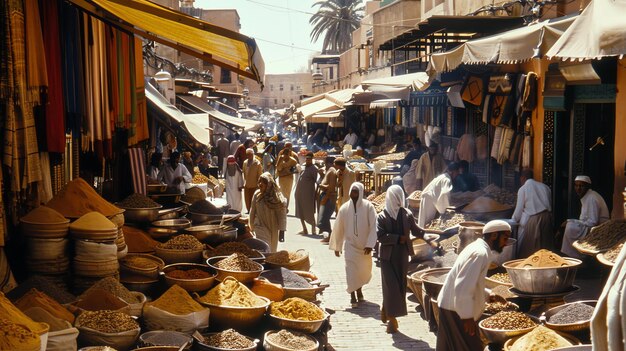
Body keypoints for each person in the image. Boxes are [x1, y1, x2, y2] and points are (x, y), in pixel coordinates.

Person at [437, 220, 511, 351]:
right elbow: (463, 286)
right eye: (504, 238)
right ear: (494, 235)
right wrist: (467, 317)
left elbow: (472, 282)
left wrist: (490, 295)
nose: (505, 243)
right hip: (456, 310)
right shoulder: (480, 253)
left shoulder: (478, 248)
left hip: (451, 306)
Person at [376, 185, 425, 333]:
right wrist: (399, 238)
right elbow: (381, 236)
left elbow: (416, 230)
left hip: (402, 256)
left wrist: (428, 236)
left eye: (400, 197)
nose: (398, 200)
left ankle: (387, 307)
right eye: (395, 197)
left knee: (400, 286)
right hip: (387, 257)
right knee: (391, 286)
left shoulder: (407, 214)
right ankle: (392, 319)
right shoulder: (382, 216)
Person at [329, 182, 377, 307]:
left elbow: (374, 226)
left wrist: (370, 244)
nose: (353, 194)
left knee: (362, 272)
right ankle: (352, 296)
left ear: (361, 192)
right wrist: (337, 246)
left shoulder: (368, 207)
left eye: (356, 191)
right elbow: (338, 227)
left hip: (364, 248)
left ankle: (359, 291)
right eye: (352, 191)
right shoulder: (344, 208)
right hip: (350, 246)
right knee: (350, 272)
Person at [561, 175, 610, 259]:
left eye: (581, 186)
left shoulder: (591, 198)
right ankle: (572, 254)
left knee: (570, 227)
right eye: (576, 185)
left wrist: (570, 221)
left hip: (599, 227)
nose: (578, 188)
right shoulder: (588, 196)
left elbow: (593, 222)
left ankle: (577, 255)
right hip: (592, 226)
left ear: (587, 187)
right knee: (570, 224)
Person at [512, 168, 553, 258]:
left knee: (531, 248)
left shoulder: (523, 189)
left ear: (523, 178)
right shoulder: (545, 187)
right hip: (548, 218)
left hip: (534, 220)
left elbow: (518, 211)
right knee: (545, 246)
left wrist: (513, 221)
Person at [249, 173, 287, 252]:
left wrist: (282, 231)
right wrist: (251, 226)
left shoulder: (277, 198)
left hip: (273, 227)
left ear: (269, 184)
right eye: (260, 181)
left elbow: (282, 215)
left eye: (264, 182)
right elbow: (252, 211)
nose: (260, 184)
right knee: (264, 248)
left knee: (272, 250)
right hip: (259, 226)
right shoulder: (257, 194)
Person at [418, 163, 460, 228]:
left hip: (427, 197)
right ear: (453, 171)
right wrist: (446, 209)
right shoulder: (447, 179)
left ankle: (421, 233)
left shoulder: (443, 176)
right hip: (429, 199)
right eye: (457, 172)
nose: (457, 175)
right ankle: (423, 235)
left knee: (423, 220)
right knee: (426, 221)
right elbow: (445, 194)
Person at [295, 152, 318, 235]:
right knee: (300, 211)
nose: (307, 160)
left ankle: (313, 229)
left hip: (308, 194)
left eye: (309, 159)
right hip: (299, 193)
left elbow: (317, 182)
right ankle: (304, 228)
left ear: (312, 159)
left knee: (310, 211)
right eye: (307, 159)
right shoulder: (303, 167)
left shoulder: (314, 169)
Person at [318, 157, 338, 242]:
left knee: (325, 218)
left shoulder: (332, 171)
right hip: (326, 196)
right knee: (323, 217)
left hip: (329, 197)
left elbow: (331, 187)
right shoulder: (329, 170)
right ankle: (329, 236)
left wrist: (325, 197)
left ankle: (331, 236)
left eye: (325, 163)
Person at [243, 148, 263, 213]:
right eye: (247, 154)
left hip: (254, 184)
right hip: (247, 184)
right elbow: (244, 173)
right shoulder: (245, 162)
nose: (248, 156)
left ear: (252, 154)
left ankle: (253, 211)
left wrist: (259, 184)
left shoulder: (257, 163)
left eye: (250, 154)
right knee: (247, 198)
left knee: (253, 199)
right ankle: (248, 210)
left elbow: (260, 175)